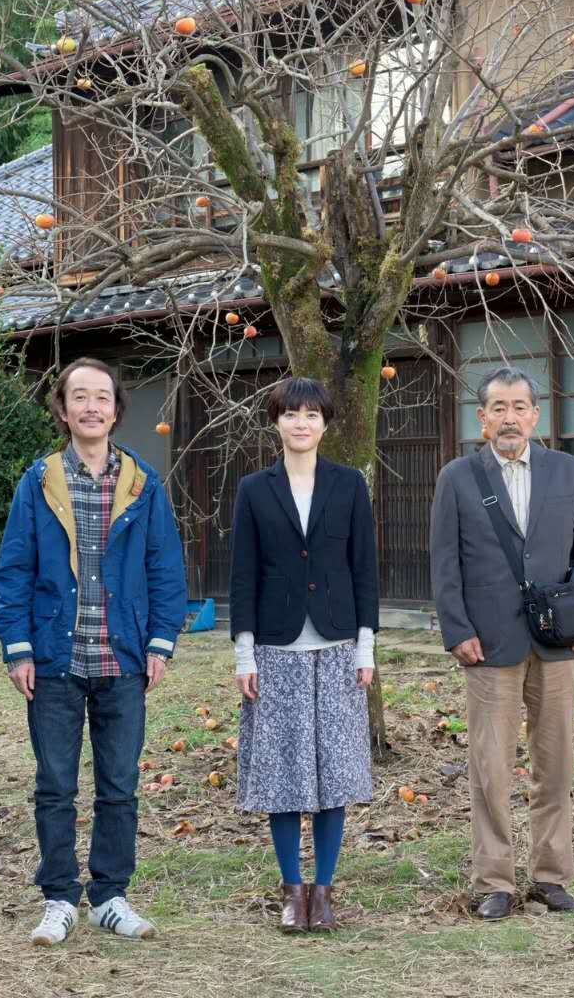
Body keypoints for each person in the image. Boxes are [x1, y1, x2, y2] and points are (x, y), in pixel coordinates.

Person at [0, 357, 187, 946]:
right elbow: (14, 568)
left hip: (123, 658)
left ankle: (109, 897)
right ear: (63, 408)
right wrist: (18, 648)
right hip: (55, 658)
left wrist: (160, 641)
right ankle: (58, 898)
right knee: (55, 785)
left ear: (115, 409)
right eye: (79, 396)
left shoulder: (142, 483)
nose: (91, 407)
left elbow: (165, 567)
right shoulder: (39, 481)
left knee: (119, 786)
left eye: (101, 396)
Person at [430, 366, 574, 921]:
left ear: (535, 414)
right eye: (499, 408)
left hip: (557, 640)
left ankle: (551, 876)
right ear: (482, 419)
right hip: (487, 643)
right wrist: (457, 629)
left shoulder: (566, 470)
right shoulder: (458, 477)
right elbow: (445, 563)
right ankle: (495, 882)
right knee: (491, 768)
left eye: (519, 407)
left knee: (556, 764)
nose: (510, 418)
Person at [230, 376, 379, 933]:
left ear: (325, 424)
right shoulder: (254, 489)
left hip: (339, 647)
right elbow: (242, 574)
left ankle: (324, 891)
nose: (301, 423)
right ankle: (292, 891)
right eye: (291, 414)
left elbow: (364, 567)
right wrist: (245, 653)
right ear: (276, 422)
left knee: (335, 772)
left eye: (311, 415)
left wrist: (366, 645)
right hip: (275, 648)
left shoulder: (348, 484)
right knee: (284, 774)